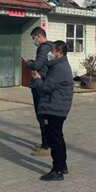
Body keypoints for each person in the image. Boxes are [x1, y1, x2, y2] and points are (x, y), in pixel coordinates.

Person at [31, 40, 74, 181]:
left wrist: (37, 80)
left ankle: (57, 170)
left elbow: (46, 87)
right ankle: (62, 166)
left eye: (52, 51)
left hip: (55, 108)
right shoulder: (58, 65)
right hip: (56, 107)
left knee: (54, 140)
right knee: (58, 138)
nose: (50, 53)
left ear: (59, 53)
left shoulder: (60, 68)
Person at [23, 27, 54, 157]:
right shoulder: (51, 47)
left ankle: (46, 146)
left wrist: (28, 63)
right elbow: (43, 63)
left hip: (40, 85)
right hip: (46, 84)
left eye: (33, 38)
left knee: (42, 115)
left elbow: (37, 66)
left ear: (38, 36)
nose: (34, 41)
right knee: (45, 116)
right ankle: (46, 142)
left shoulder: (43, 48)